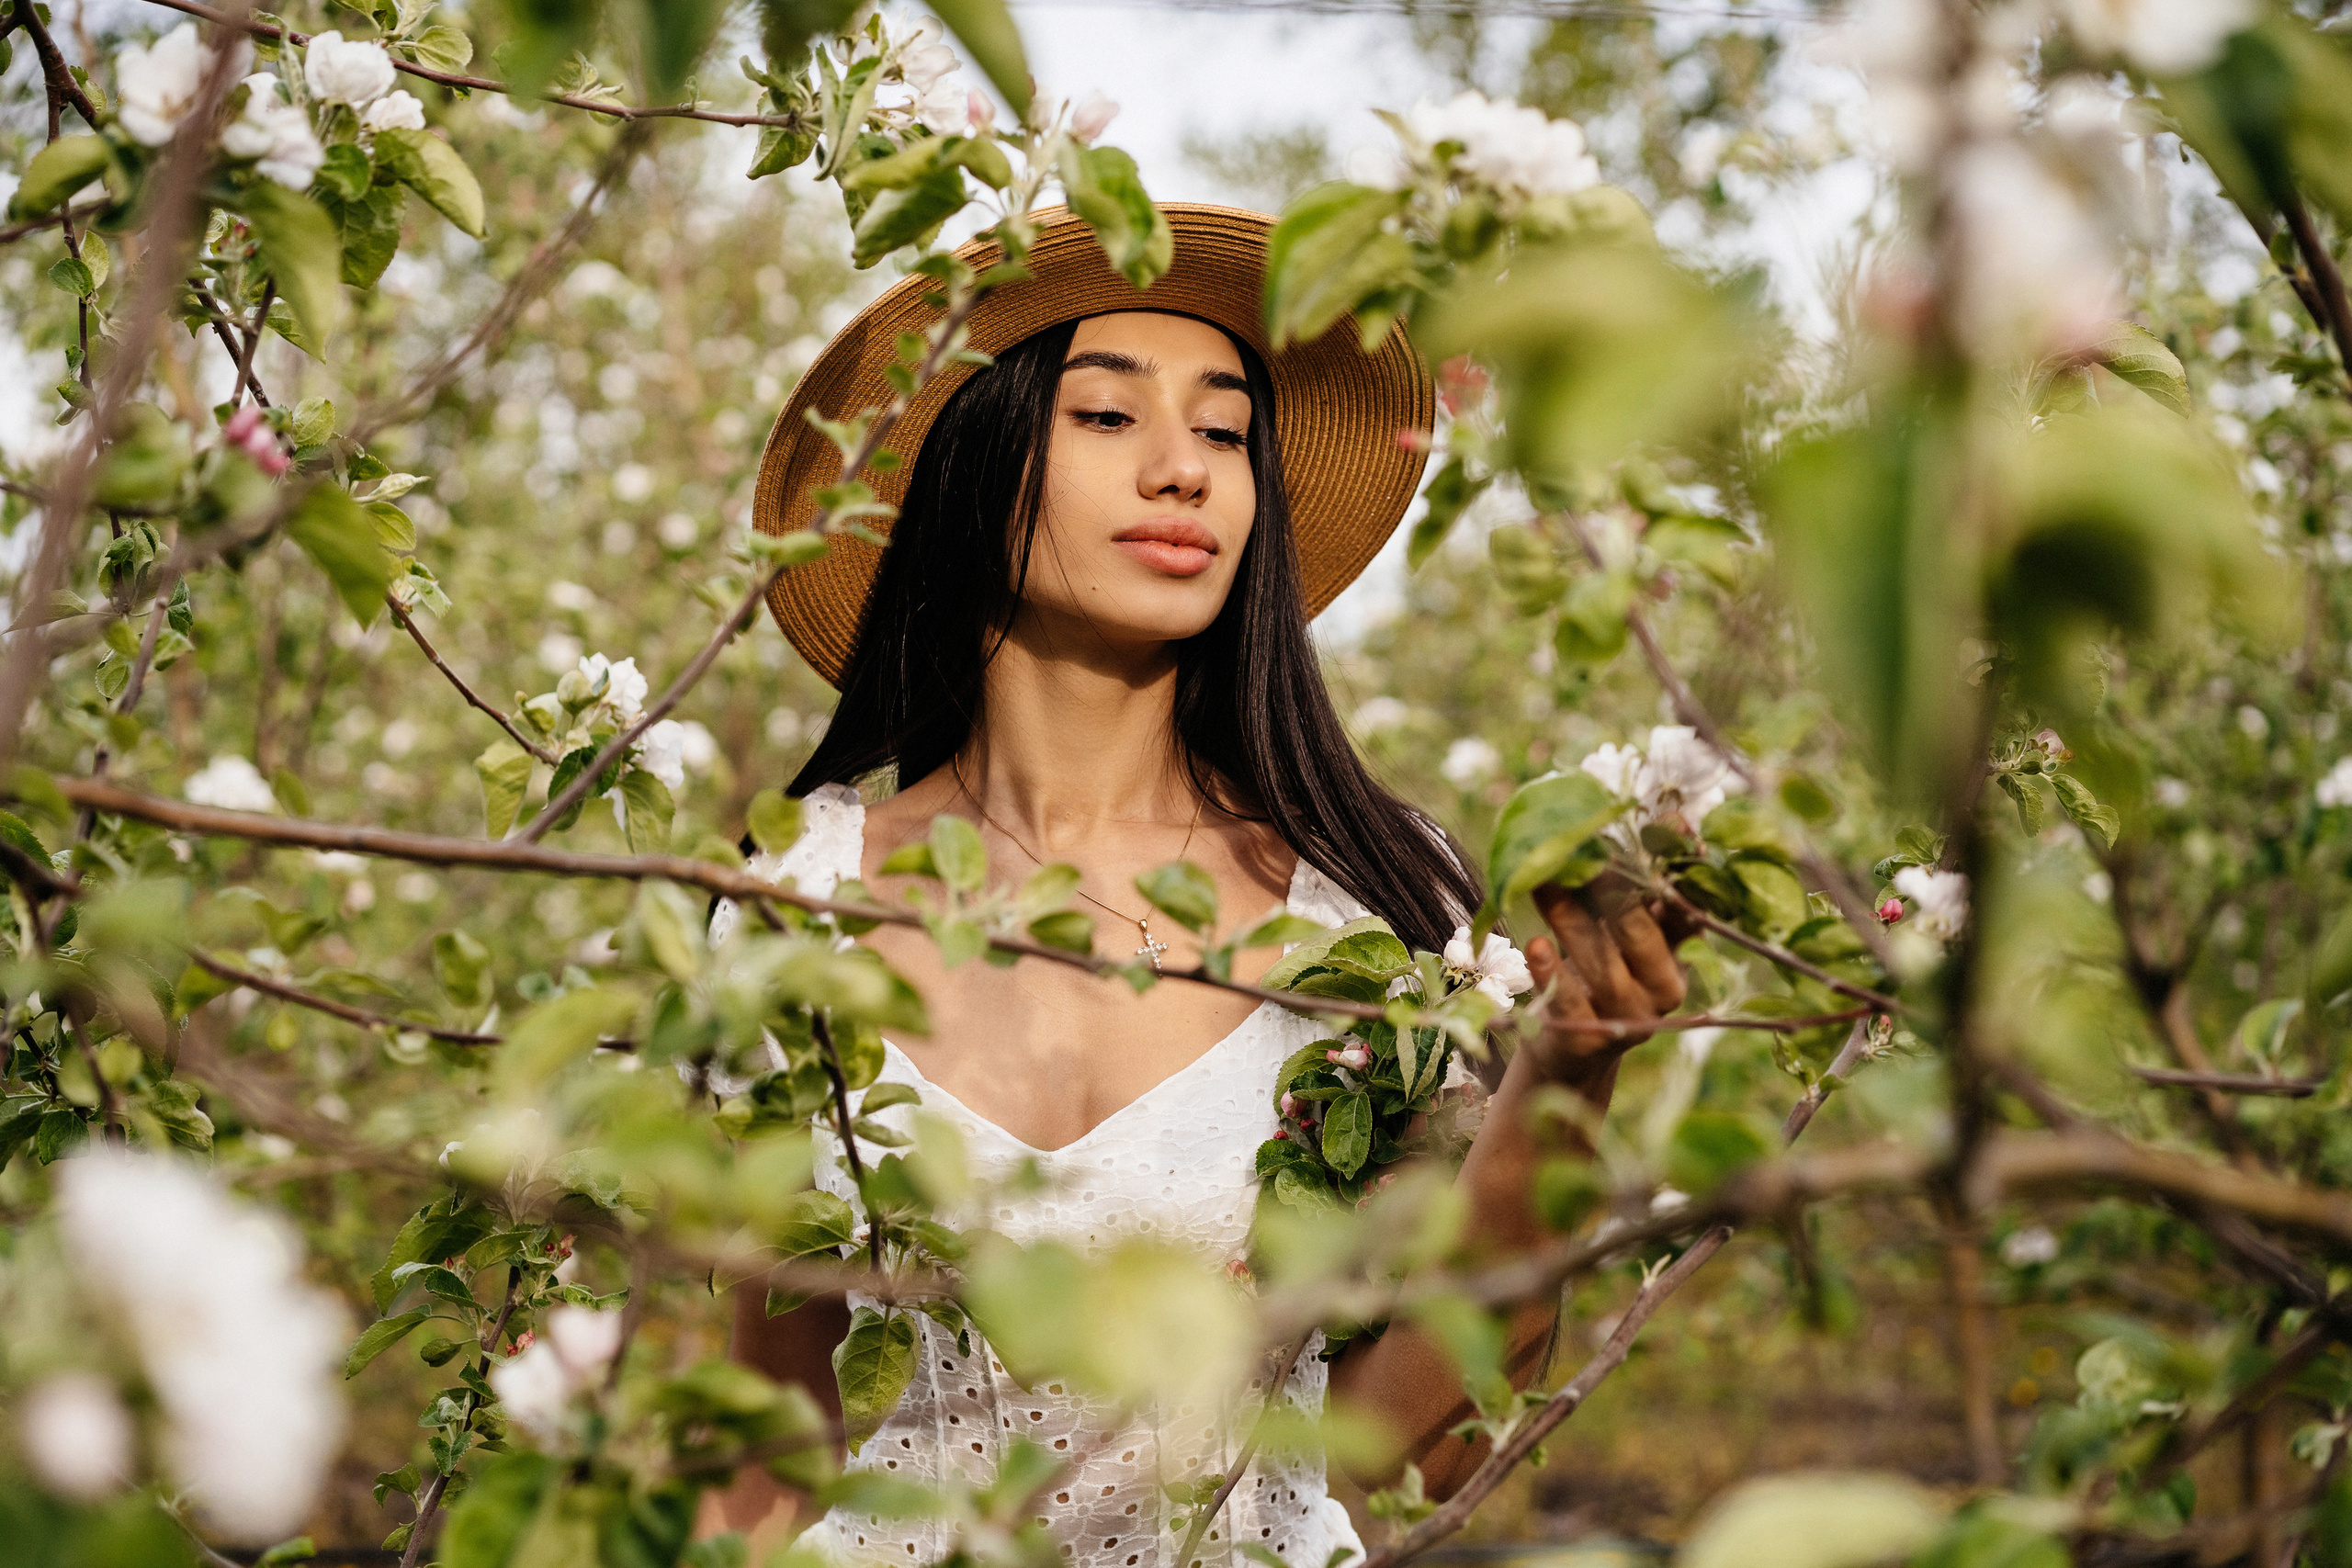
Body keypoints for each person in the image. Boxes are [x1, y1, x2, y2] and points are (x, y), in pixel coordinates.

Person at [702, 204, 1685, 1566]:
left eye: (1226, 434)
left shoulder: (1374, 921)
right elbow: (768, 1447)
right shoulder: (790, 915)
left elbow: (1410, 1444)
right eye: (1108, 419)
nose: (1186, 472)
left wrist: (1570, 1073)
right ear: (967, 468)